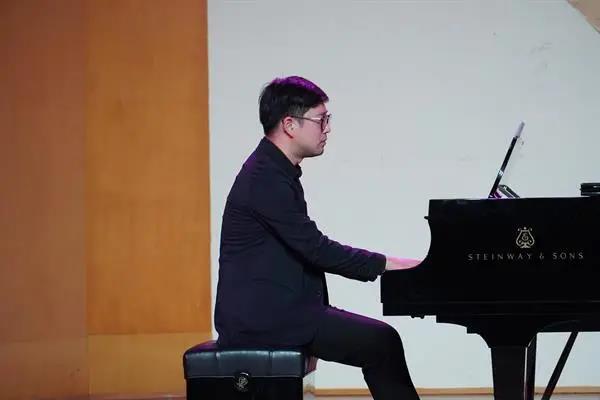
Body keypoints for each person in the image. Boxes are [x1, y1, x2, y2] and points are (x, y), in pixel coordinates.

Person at [214, 76, 421, 400]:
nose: (327, 128)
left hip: (282, 312)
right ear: (289, 125)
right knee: (382, 342)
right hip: (264, 319)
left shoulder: (274, 170)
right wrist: (387, 264)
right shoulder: (265, 178)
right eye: (321, 120)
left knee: (381, 341)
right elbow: (315, 248)